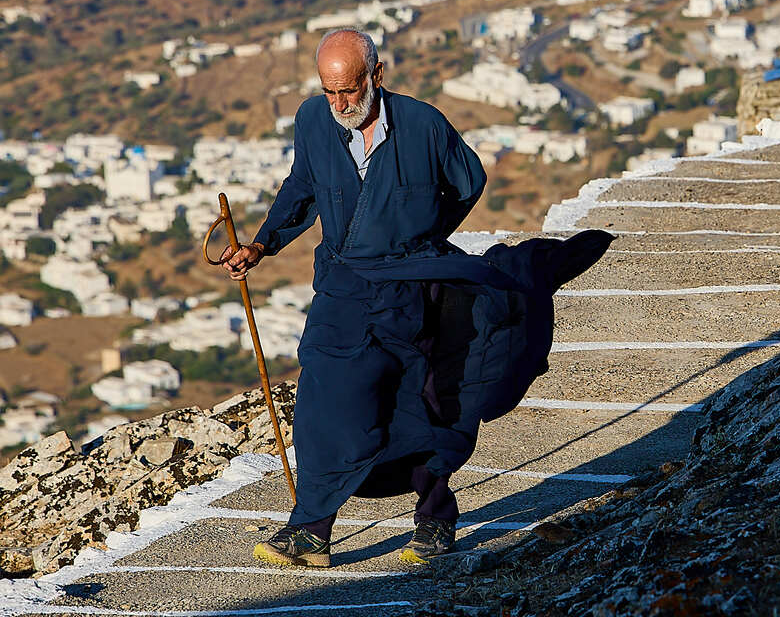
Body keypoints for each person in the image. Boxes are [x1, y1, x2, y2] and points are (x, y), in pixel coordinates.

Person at [221, 28, 611, 568]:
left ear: (376, 76)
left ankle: (433, 521)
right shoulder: (313, 120)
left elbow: (467, 182)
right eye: (330, 91)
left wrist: (424, 239)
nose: (340, 104)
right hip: (344, 285)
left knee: (426, 399)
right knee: (323, 405)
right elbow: (302, 187)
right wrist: (262, 243)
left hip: (413, 285)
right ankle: (311, 530)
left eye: (350, 90)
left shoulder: (423, 124)